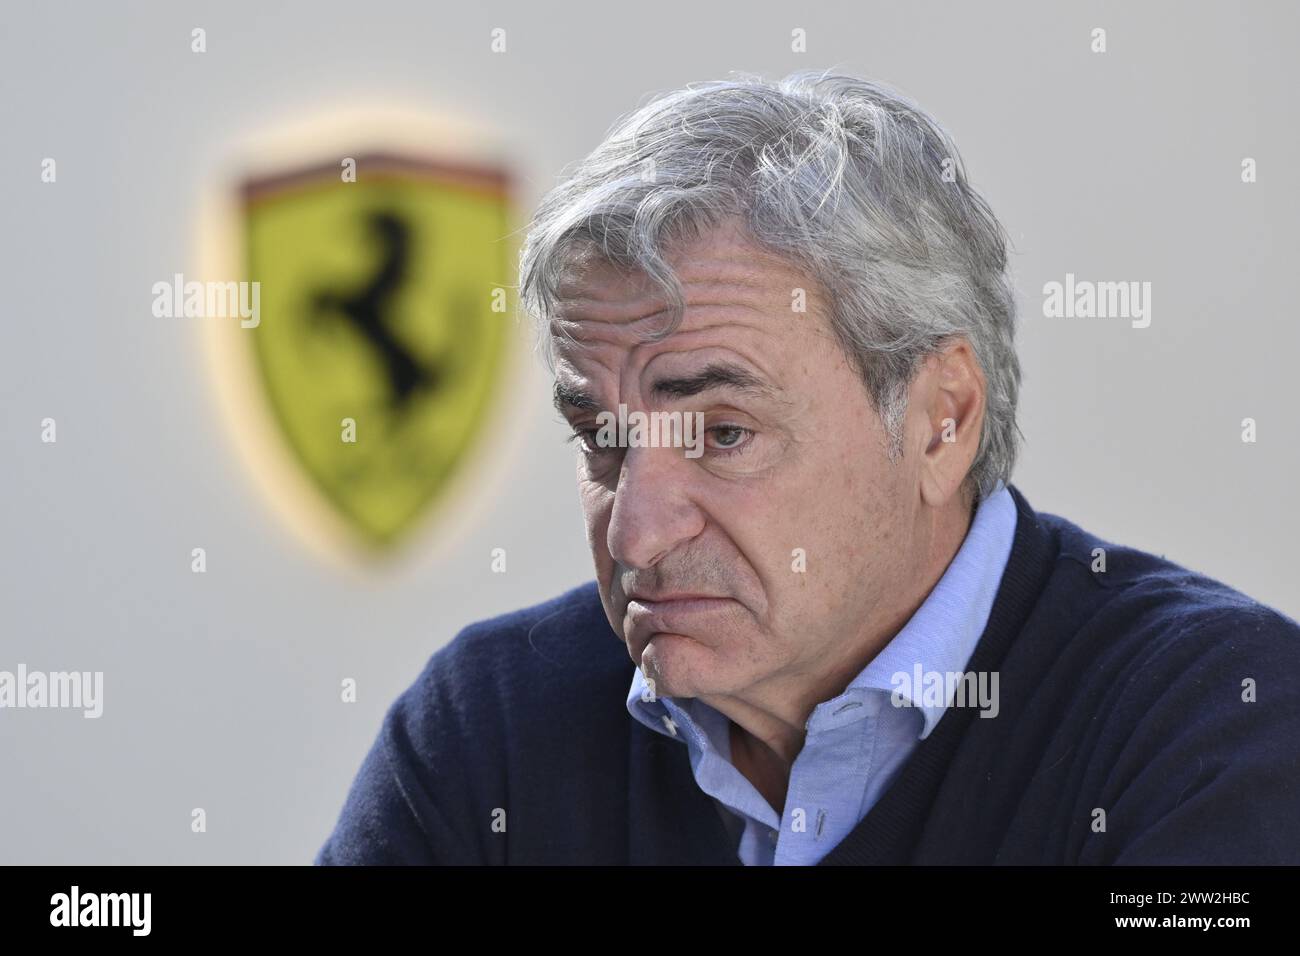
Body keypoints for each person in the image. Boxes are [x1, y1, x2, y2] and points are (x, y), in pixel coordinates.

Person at [316, 71, 1300, 865]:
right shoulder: (490, 725)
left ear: (940, 419)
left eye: (724, 433)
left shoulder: (1218, 720)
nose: (636, 534)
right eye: (603, 441)